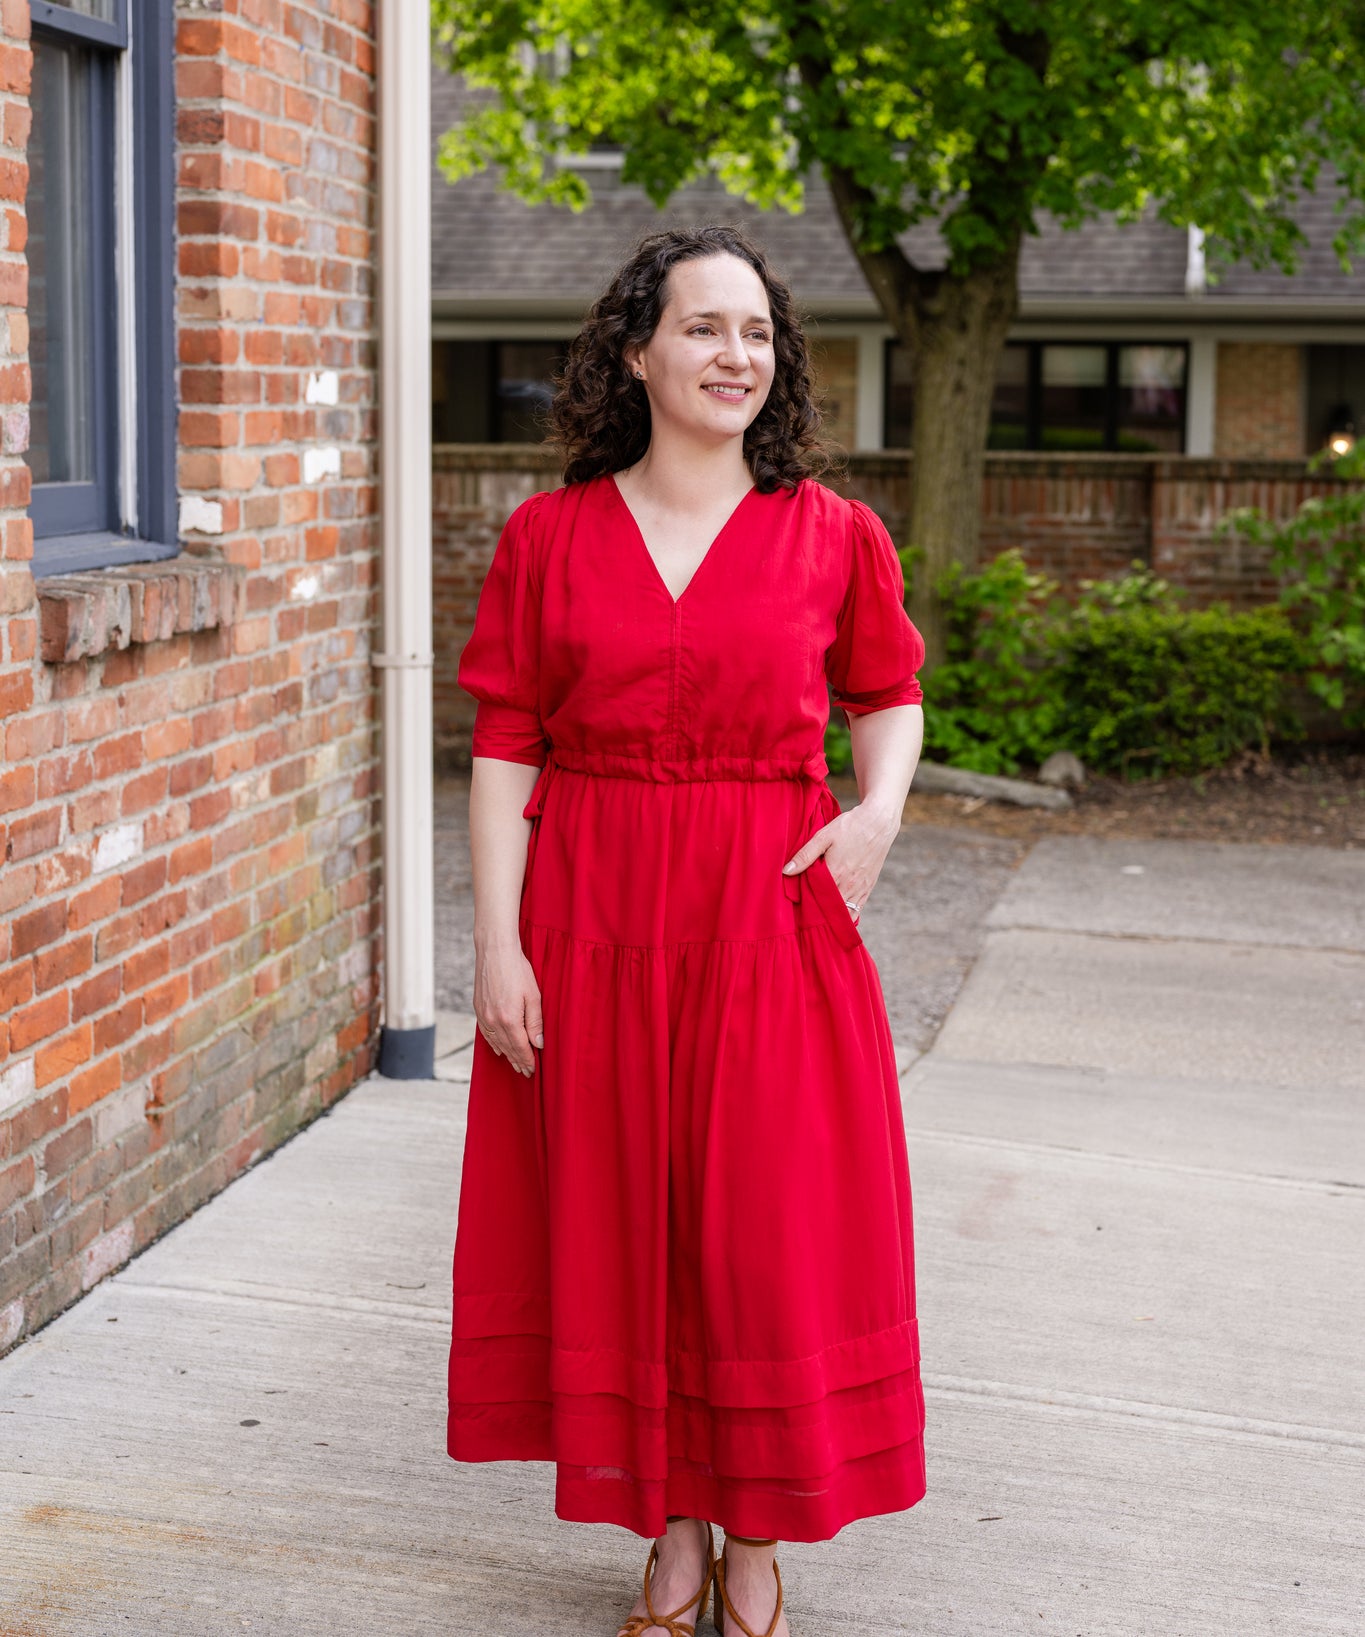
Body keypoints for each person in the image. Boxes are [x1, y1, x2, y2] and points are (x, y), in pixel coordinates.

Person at [448, 224, 927, 1637]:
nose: (735, 354)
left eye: (757, 333)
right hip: (589, 908)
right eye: (705, 327)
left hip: (769, 906)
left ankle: (760, 1536)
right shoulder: (548, 536)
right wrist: (495, 943)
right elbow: (504, 746)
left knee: (761, 1228)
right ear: (638, 351)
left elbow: (886, 694)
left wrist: (878, 814)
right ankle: (669, 1534)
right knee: (625, 1217)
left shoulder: (833, 532)